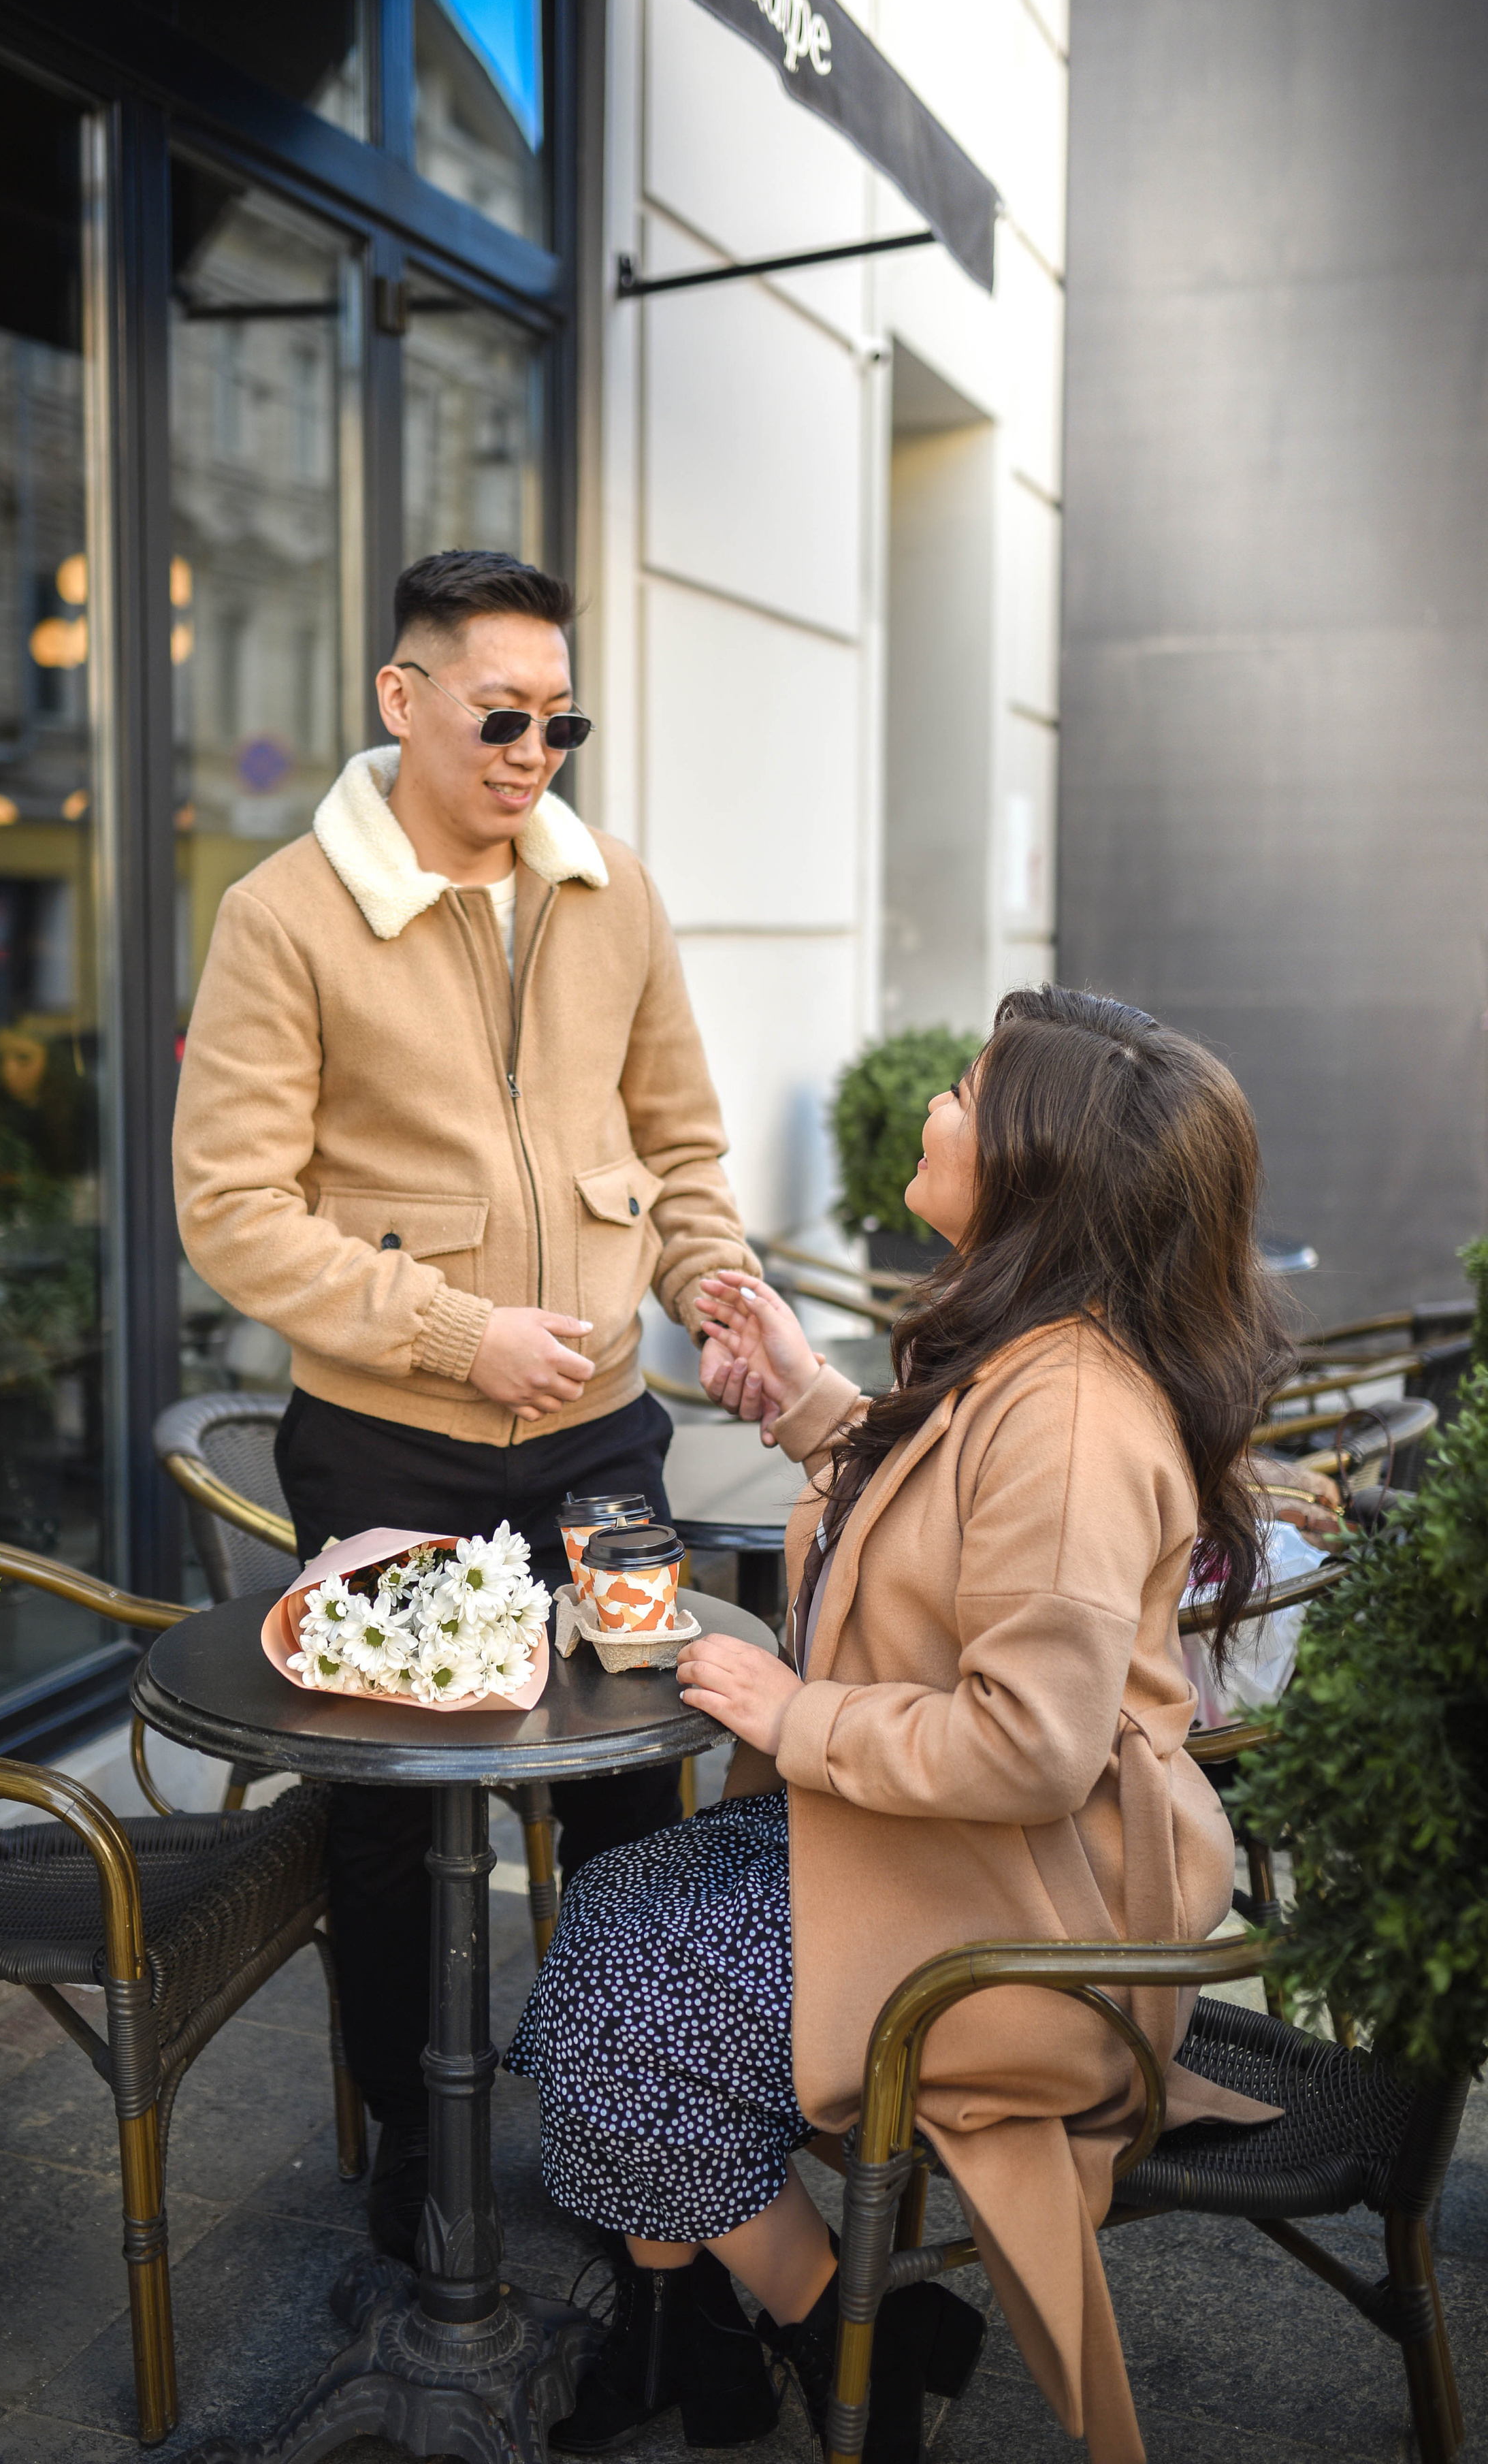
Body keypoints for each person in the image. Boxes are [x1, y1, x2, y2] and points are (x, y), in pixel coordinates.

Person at [507, 987, 1289, 2464]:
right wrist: (806, 1404)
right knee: (611, 1917)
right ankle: (708, 2343)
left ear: (1036, 1172)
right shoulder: (1040, 1351)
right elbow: (951, 1531)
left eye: (961, 1090)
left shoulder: (1069, 1416)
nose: (933, 1105)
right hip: (959, 1872)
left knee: (617, 2010)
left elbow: (1029, 1747)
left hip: (1027, 1934)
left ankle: (829, 2331)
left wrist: (798, 1713)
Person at [172, 548, 764, 2259]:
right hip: (388, 1443)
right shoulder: (283, 914)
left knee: (630, 1794)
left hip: (602, 1437)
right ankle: (414, 2172)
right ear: (401, 697)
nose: (532, 751)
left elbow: (677, 1146)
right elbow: (233, 1209)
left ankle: (628, 2144)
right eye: (501, 714)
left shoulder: (614, 891)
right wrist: (450, 1334)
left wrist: (709, 1281)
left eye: (559, 720)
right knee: (392, 1813)